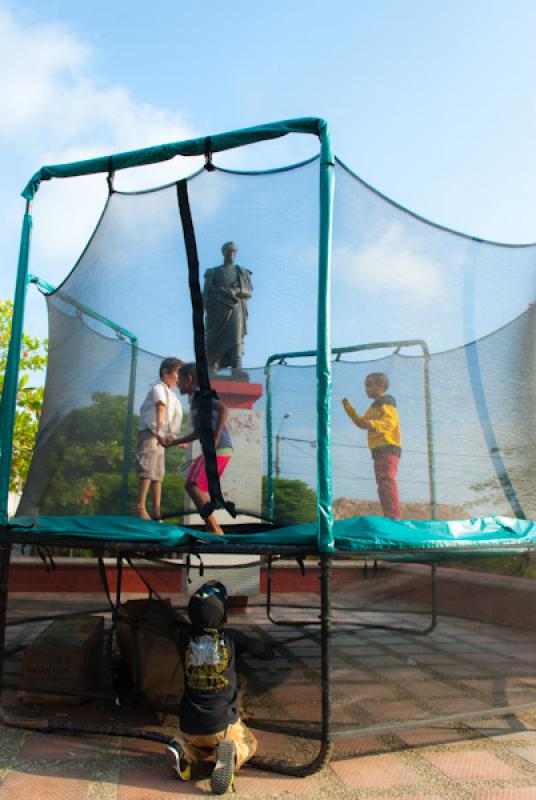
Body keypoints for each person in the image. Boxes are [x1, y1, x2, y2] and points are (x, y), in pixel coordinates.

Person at [166, 580, 273, 794]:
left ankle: (181, 749)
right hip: (222, 723)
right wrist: (267, 647)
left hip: (190, 723)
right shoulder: (232, 639)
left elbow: (171, 626)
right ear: (225, 617)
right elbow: (264, 652)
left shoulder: (183, 637)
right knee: (248, 742)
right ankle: (231, 755)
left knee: (197, 746)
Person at [161, 362, 232, 535]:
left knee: (192, 484)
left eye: (180, 380)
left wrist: (216, 436)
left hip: (219, 448)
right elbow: (198, 432)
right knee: (192, 485)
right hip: (217, 449)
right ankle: (211, 523)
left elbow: (223, 408)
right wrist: (174, 442)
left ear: (189, 379)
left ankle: (214, 527)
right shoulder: (194, 401)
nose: (177, 384)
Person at [342, 372, 402, 519]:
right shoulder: (373, 408)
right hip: (378, 450)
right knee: (381, 483)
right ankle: (389, 514)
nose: (366, 389)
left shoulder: (387, 403)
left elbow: (390, 423)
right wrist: (348, 408)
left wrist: (373, 424)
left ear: (380, 386)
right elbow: (362, 423)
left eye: (369, 385)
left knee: (387, 480)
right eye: (366, 386)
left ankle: (394, 516)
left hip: (389, 446)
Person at [134, 357, 183, 520]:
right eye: (177, 373)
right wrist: (160, 432)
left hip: (160, 437)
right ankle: (140, 507)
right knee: (147, 468)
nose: (179, 377)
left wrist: (173, 438)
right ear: (166, 372)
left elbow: (171, 421)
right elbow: (160, 408)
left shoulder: (173, 397)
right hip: (150, 433)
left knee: (158, 473)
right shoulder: (158, 388)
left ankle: (156, 510)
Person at [203, 241, 253, 371]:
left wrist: (235, 291)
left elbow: (248, 292)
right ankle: (213, 366)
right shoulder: (213, 272)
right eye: (229, 251)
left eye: (234, 252)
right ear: (223, 253)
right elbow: (205, 295)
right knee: (214, 341)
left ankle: (237, 368)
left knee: (235, 338)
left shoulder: (241, 272)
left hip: (235, 309)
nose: (231, 254)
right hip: (217, 312)